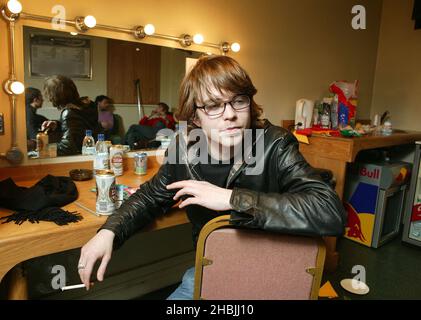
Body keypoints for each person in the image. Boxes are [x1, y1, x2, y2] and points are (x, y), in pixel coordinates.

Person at [78, 55, 346, 299]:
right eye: (214, 106)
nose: (230, 114)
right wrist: (109, 231)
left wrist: (231, 199)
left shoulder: (274, 144)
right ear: (195, 116)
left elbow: (329, 211)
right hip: (212, 269)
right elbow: (150, 196)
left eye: (239, 101)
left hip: (271, 270)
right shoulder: (183, 150)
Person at [43, 75, 101, 156]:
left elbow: (68, 147)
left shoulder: (69, 113)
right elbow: (81, 128)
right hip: (92, 155)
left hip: (79, 158)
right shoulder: (89, 105)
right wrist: (58, 124)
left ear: (54, 95)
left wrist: (43, 148)